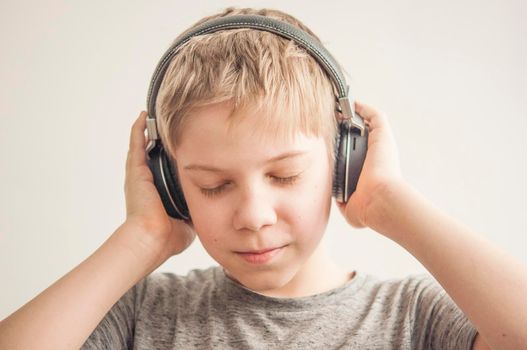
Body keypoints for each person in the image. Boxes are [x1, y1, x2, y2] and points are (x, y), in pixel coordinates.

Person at [0, 6, 525, 350]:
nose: (252, 216)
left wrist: (388, 200)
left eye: (286, 175)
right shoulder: (143, 314)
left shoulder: (413, 318)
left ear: (345, 162)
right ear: (168, 183)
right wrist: (141, 239)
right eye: (213, 185)